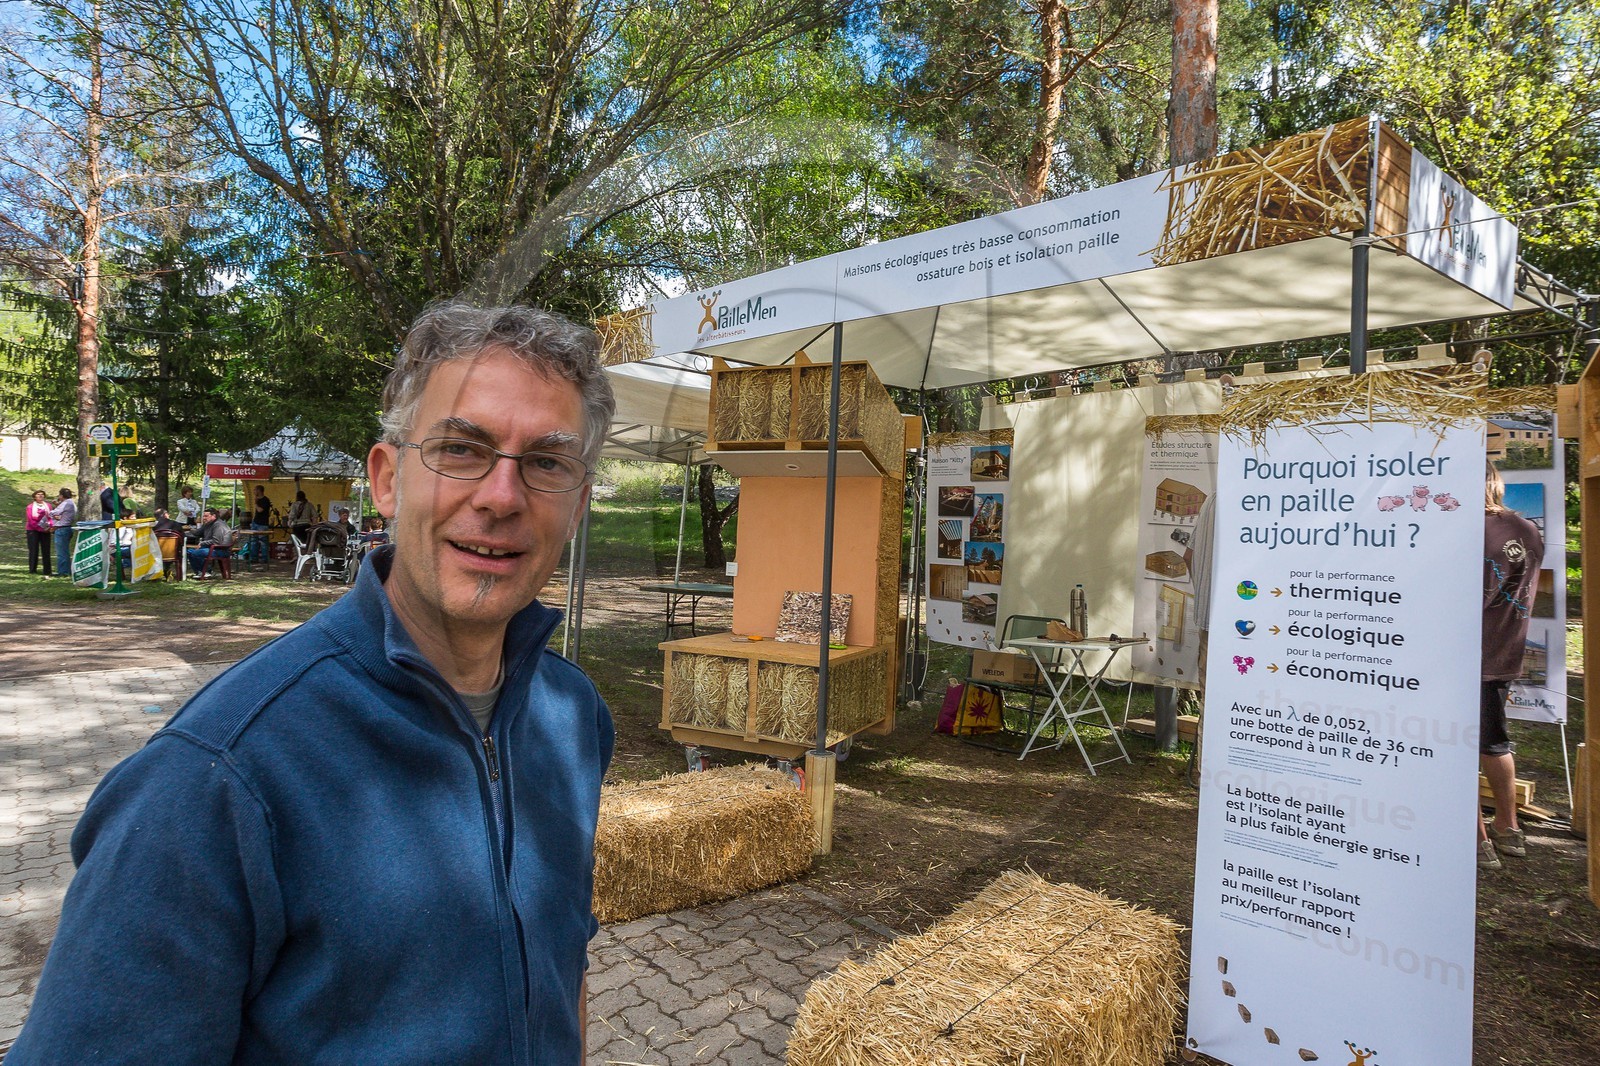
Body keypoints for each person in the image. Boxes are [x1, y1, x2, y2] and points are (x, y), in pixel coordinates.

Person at [11, 302, 617, 1064]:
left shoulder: (572, 718)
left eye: (547, 462)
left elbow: (563, 967)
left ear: (580, 501)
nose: (501, 495)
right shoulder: (216, 778)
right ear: (388, 480)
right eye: (461, 449)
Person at [1479, 461, 1543, 870]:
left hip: (1467, 658)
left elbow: (1473, 601)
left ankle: (1478, 837)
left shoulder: (1478, 533)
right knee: (1493, 741)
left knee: (1457, 750)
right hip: (1503, 652)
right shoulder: (1526, 528)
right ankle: (1508, 825)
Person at [184, 506, 235, 578]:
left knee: (196, 553)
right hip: (211, 548)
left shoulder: (219, 525)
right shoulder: (208, 524)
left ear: (213, 516)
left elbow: (216, 541)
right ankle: (201, 572)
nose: (204, 518)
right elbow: (197, 533)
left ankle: (206, 572)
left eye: (206, 516)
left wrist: (202, 543)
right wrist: (183, 532)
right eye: (203, 516)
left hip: (221, 550)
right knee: (190, 551)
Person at [24, 489, 53, 576]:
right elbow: (31, 520)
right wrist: (40, 529)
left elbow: (50, 517)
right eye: (38, 494)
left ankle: (47, 570)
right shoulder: (30, 507)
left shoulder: (48, 506)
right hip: (33, 530)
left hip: (45, 530)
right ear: (34, 497)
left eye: (42, 494)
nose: (40, 496)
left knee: (46, 550)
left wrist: (50, 526)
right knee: (33, 550)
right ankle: (32, 569)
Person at [49, 488, 76, 577]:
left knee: (61, 552)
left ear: (61, 495)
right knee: (65, 551)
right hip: (68, 527)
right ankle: (66, 570)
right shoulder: (72, 503)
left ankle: (63, 571)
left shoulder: (65, 503)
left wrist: (49, 512)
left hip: (62, 529)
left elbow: (55, 512)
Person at [246, 484, 273, 563]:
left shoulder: (265, 500)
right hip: (256, 522)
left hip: (262, 523)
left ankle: (265, 558)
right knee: (254, 541)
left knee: (263, 541)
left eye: (255, 490)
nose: (254, 491)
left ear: (259, 491)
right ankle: (254, 558)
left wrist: (255, 503)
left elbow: (260, 510)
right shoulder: (257, 500)